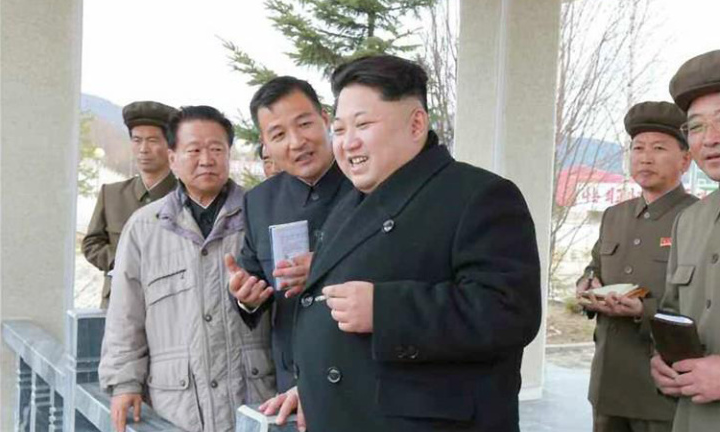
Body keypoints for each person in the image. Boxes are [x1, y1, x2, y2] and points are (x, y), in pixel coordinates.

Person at [262, 54, 541, 432]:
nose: (348, 143)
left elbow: (509, 313)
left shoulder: (479, 196)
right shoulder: (352, 200)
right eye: (339, 129)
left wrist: (386, 310)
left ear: (416, 124)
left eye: (363, 124)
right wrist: (313, 389)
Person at [99, 106, 276, 432]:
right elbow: (125, 313)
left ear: (228, 155)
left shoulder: (261, 214)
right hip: (178, 405)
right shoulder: (144, 226)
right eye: (194, 150)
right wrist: (124, 383)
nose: (206, 159)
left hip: (253, 397)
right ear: (172, 159)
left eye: (216, 149)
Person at [649, 48, 720, 431]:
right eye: (696, 127)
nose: (710, 139)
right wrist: (665, 362)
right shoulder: (690, 221)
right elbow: (672, 313)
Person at [226, 76, 353, 394]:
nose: (296, 142)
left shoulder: (366, 181)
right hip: (293, 378)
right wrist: (246, 297)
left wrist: (325, 267)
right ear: (265, 144)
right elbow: (254, 274)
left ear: (325, 119)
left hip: (359, 374)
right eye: (279, 134)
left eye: (304, 124)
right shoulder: (259, 201)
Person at [577, 101, 697, 432]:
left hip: (661, 389)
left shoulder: (698, 218)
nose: (645, 158)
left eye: (658, 148)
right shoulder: (614, 215)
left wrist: (643, 310)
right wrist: (587, 284)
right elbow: (594, 267)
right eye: (638, 148)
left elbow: (710, 303)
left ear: (685, 159)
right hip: (608, 382)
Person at [82, 100, 178, 308]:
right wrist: (123, 262)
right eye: (137, 140)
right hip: (118, 303)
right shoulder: (111, 194)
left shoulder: (185, 197)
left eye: (152, 140)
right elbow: (91, 244)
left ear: (170, 146)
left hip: (172, 304)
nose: (143, 149)